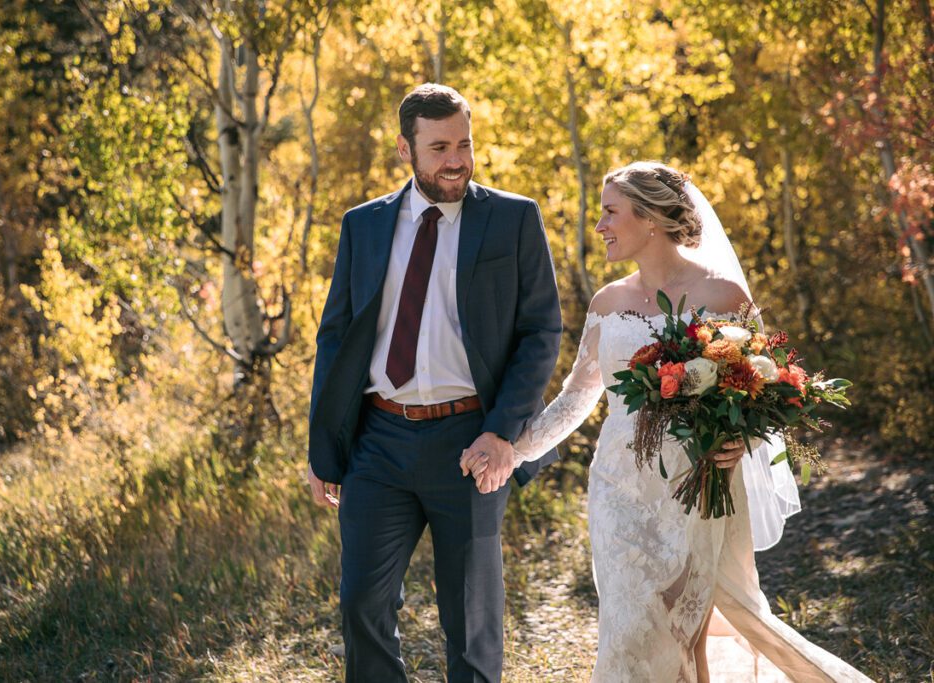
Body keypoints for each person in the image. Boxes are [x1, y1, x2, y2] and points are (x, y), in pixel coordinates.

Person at [461, 161, 873, 682]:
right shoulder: (607, 302)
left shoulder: (724, 297)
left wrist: (737, 443)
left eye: (611, 212)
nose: (600, 226)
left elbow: (763, 388)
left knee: (685, 631)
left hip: (697, 486)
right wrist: (510, 449)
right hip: (618, 489)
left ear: (650, 217)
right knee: (628, 629)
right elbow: (576, 400)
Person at [307, 83, 562, 683]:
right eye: (440, 146)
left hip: (470, 444)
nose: (456, 160)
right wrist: (324, 452)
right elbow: (336, 339)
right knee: (361, 605)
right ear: (406, 149)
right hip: (378, 443)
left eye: (465, 144)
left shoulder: (513, 218)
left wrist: (503, 433)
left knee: (471, 621)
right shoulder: (363, 225)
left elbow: (540, 332)